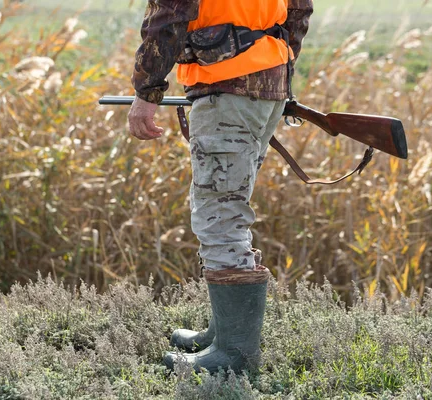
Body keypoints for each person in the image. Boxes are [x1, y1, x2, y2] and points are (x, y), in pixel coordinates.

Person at [128, 0, 314, 373]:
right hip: (266, 85)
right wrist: (276, 69)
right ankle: (223, 332)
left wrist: (146, 93)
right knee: (228, 204)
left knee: (220, 214)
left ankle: (233, 355)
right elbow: (300, 9)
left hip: (225, 89)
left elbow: (166, 20)